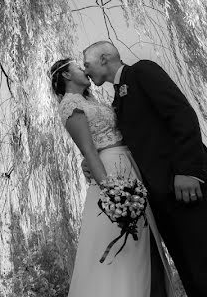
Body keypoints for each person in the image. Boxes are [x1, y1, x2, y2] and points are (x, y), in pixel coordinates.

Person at [81, 41, 207, 297]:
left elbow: (181, 115)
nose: (85, 71)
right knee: (195, 282)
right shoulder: (117, 101)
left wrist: (189, 171)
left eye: (87, 64)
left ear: (104, 58)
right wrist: (93, 157)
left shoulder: (142, 72)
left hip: (190, 188)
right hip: (163, 200)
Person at [51, 57, 173, 297]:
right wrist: (111, 192)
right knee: (125, 243)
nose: (85, 70)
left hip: (130, 167)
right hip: (111, 174)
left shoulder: (93, 101)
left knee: (147, 241)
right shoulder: (69, 105)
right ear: (66, 75)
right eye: (79, 67)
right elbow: (89, 151)